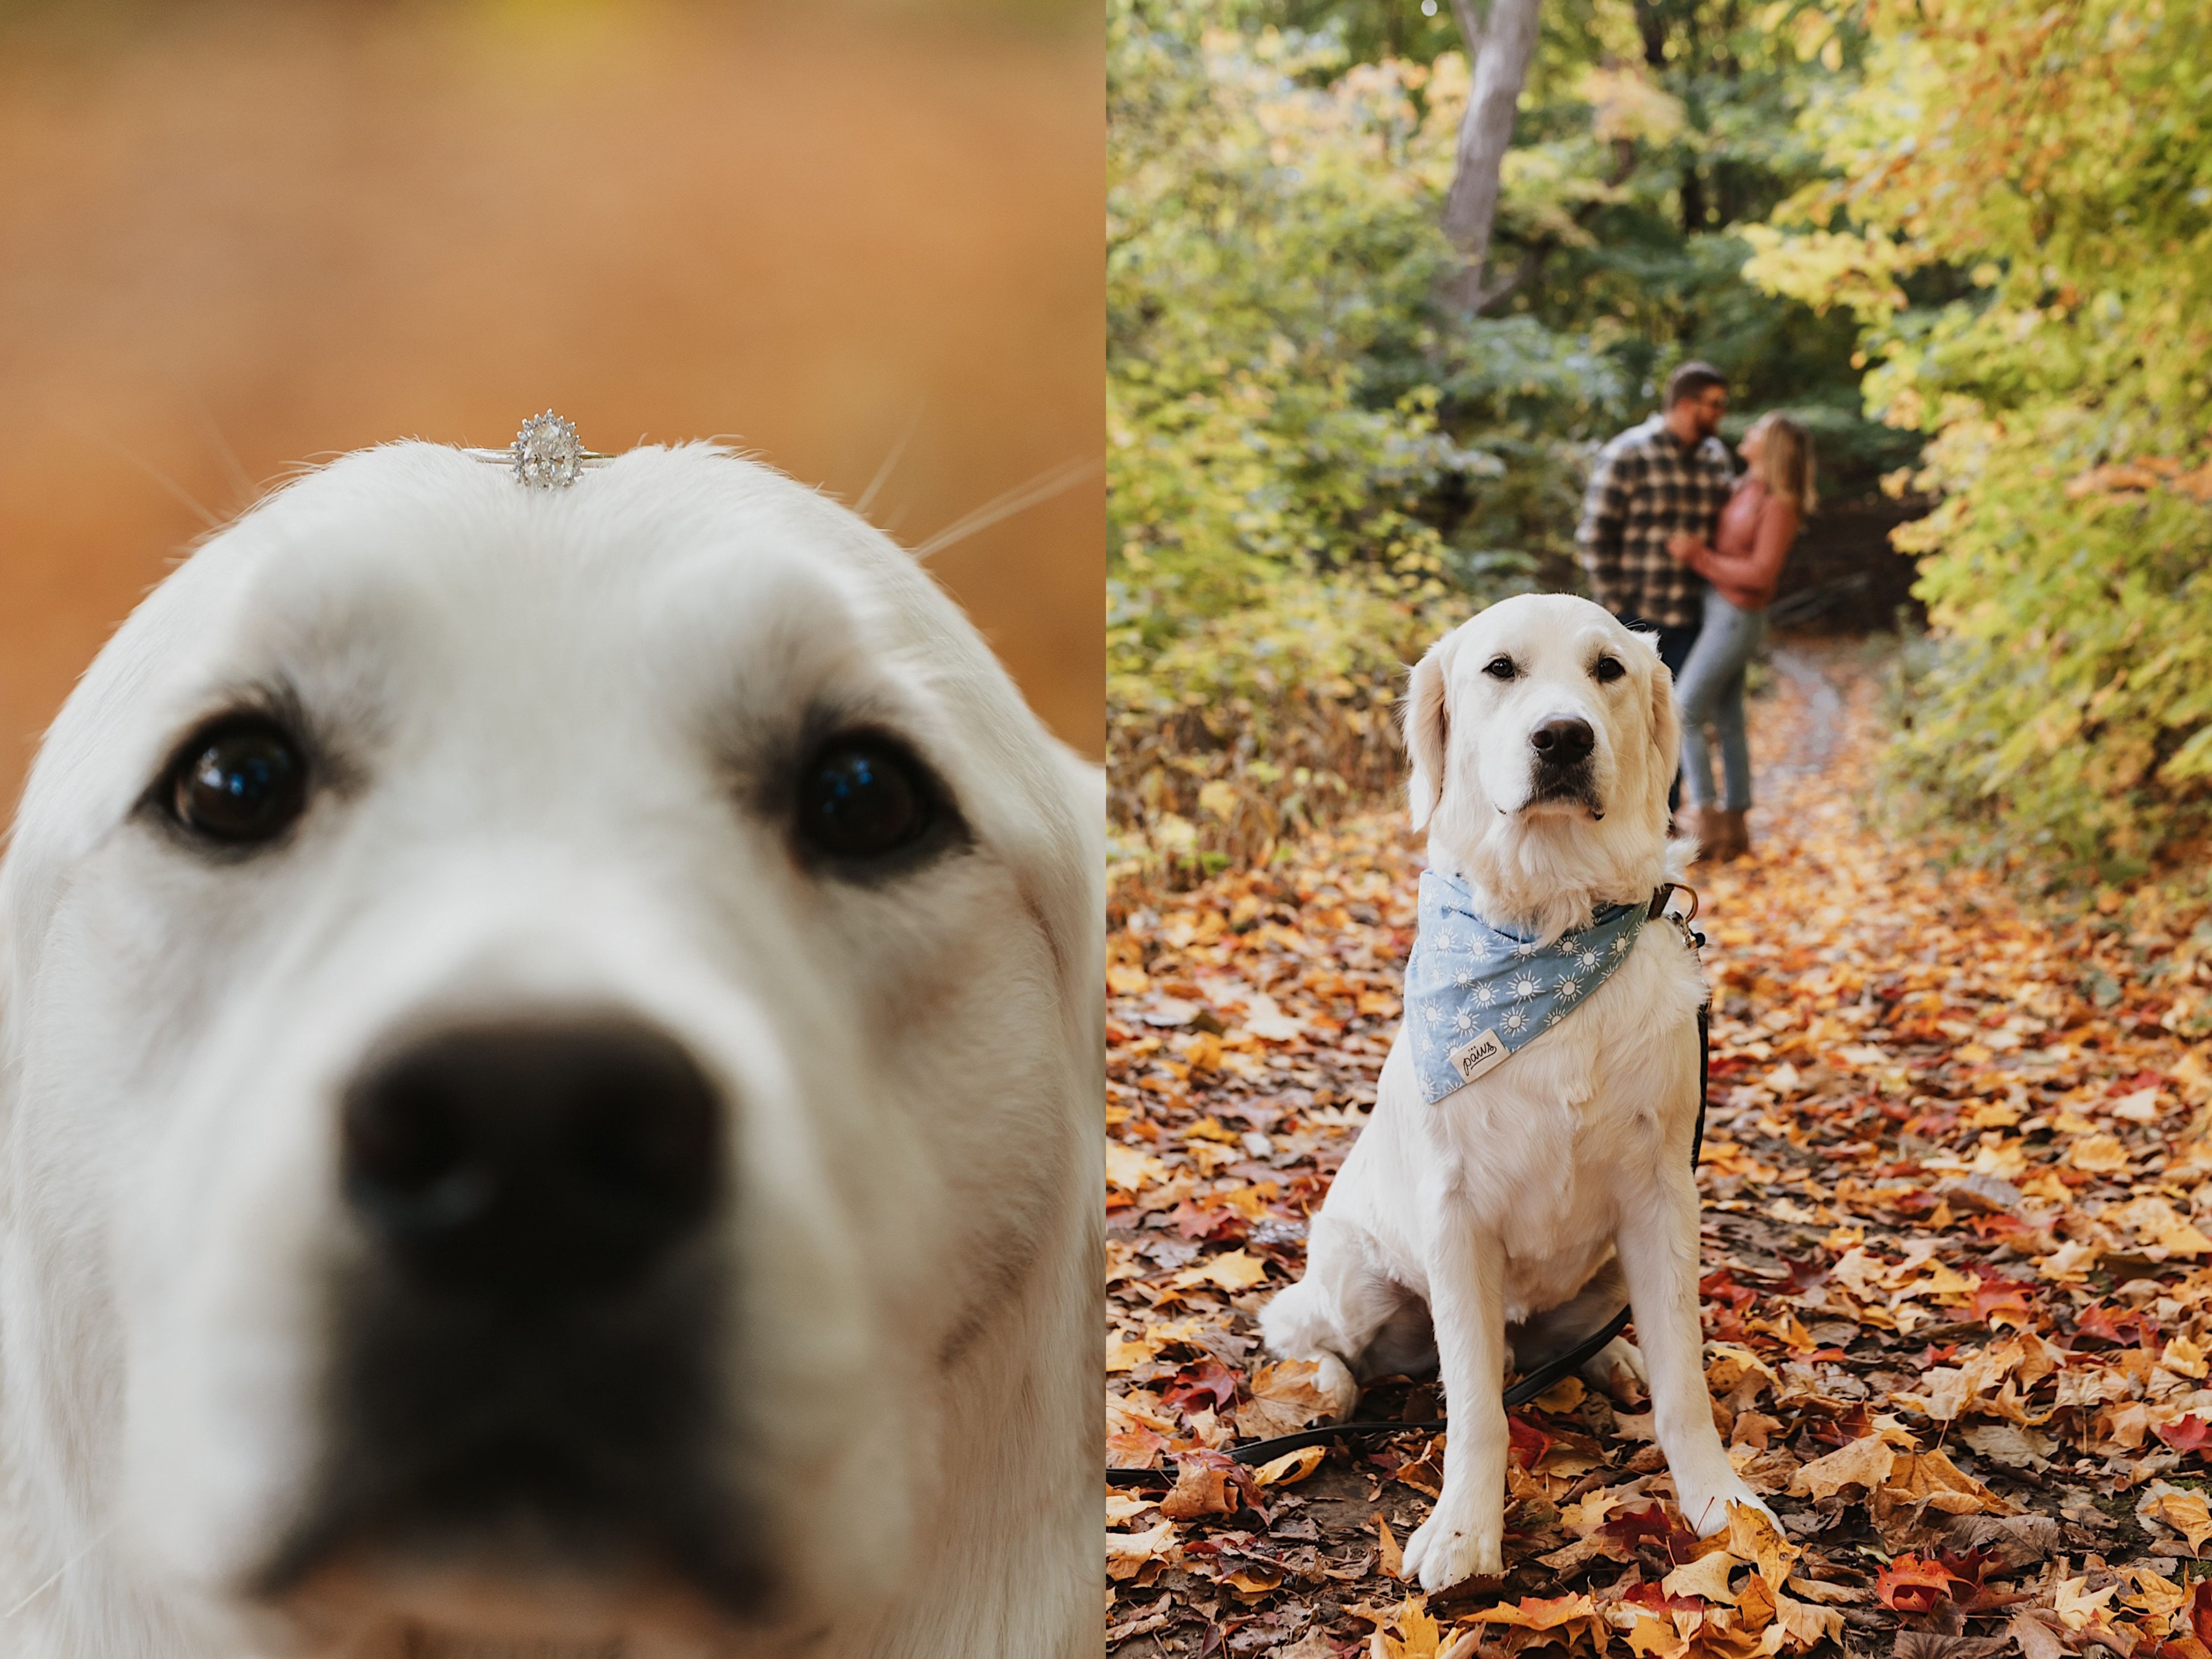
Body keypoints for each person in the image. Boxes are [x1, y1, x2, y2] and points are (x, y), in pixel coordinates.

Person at [1575, 363, 1736, 811]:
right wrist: (1616, 605)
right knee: (1631, 722)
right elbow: (1595, 534)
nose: (1723, 413)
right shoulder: (1629, 452)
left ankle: (1662, 819)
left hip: (1696, 619)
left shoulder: (1715, 459)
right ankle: (1624, 813)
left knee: (1677, 720)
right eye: (1716, 403)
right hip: (1634, 618)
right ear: (1687, 404)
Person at [1664, 411, 1817, 862]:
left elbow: (1761, 574)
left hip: (1737, 616)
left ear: (1773, 447)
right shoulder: (1744, 488)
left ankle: (1708, 819)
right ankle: (1735, 826)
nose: (1746, 434)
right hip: (1718, 612)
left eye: (1757, 431)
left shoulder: (1779, 504)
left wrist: (1698, 557)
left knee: (1684, 709)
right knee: (1728, 719)